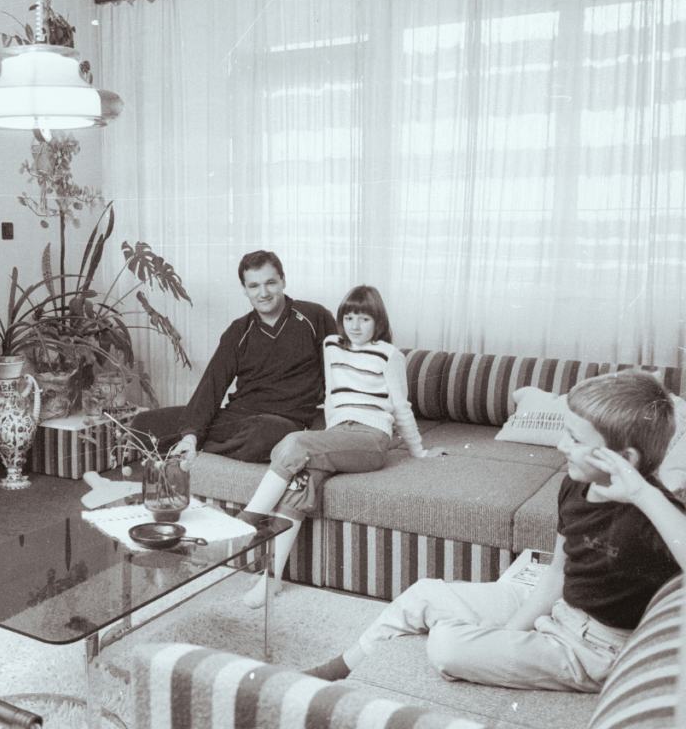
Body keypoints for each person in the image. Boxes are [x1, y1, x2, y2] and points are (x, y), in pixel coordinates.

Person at [303, 369, 686, 692]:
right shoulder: (576, 484)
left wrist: (640, 491)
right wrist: (514, 631)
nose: (561, 445)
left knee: (446, 645)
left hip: (595, 649)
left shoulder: (657, 515)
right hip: (556, 605)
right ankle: (337, 670)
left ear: (624, 459)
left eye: (576, 439)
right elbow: (557, 574)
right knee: (423, 595)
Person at [237, 285, 445, 608]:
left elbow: (401, 407)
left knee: (294, 442)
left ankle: (248, 521)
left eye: (364, 318)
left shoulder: (390, 355)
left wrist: (418, 450)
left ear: (378, 322)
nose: (355, 326)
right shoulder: (331, 345)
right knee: (300, 483)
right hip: (338, 435)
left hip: (371, 439)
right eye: (349, 317)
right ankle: (271, 580)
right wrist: (329, 436)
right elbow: (333, 396)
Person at [132, 250, 336, 463]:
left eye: (270, 283)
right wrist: (191, 435)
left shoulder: (314, 317)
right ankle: (198, 447)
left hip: (284, 422)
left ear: (283, 281)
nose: (263, 293)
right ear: (244, 290)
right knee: (143, 425)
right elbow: (211, 385)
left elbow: (337, 373)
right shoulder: (238, 331)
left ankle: (203, 452)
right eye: (254, 286)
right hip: (238, 418)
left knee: (263, 435)